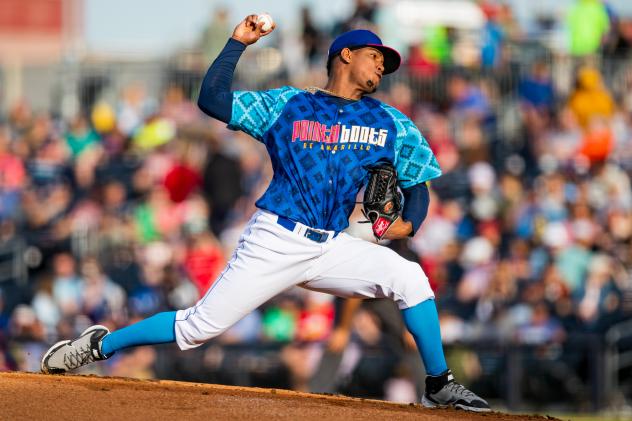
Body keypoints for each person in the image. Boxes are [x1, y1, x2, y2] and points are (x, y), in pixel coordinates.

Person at [41, 15, 490, 412]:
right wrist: (237, 43)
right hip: (276, 239)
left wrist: (411, 221)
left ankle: (439, 384)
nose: (382, 67)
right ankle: (98, 345)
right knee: (198, 327)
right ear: (345, 55)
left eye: (385, 63)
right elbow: (213, 100)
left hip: (333, 244)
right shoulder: (288, 105)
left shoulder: (390, 121)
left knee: (409, 278)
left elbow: (417, 183)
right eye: (375, 57)